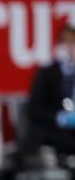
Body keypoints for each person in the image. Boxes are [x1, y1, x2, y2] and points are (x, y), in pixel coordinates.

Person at [22, 23, 75, 165]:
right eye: (67, 42)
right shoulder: (47, 73)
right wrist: (59, 117)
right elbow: (33, 108)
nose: (71, 48)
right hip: (53, 130)